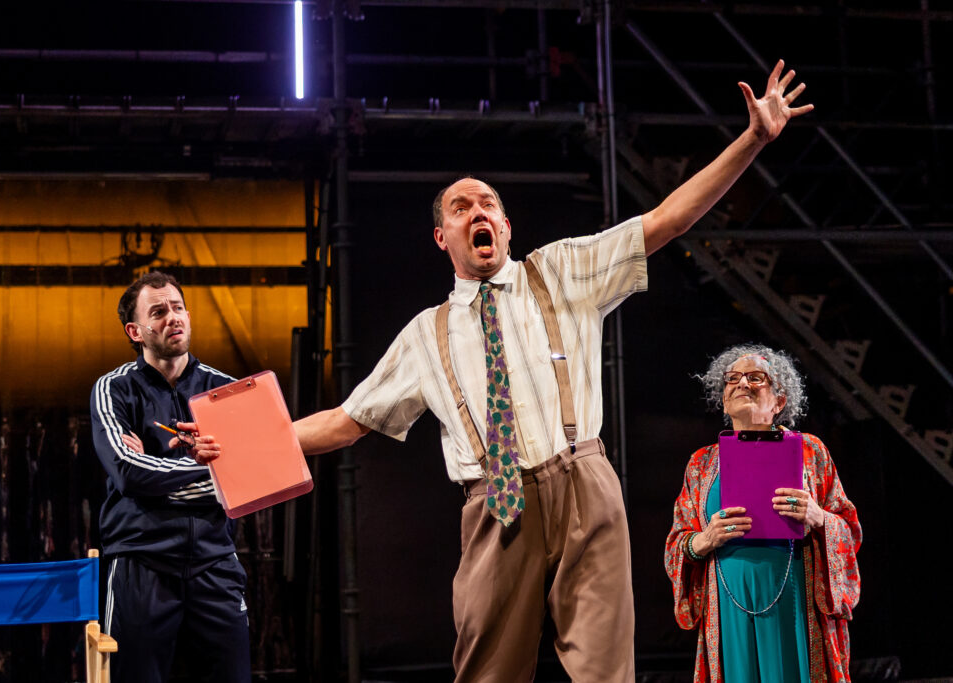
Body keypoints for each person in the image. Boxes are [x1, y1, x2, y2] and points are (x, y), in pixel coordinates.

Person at [188, 60, 812, 681]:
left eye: (488, 203)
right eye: (461, 207)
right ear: (443, 236)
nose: (477, 211)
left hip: (583, 485)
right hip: (494, 501)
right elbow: (346, 422)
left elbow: (668, 220)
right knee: (487, 671)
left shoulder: (563, 270)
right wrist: (241, 441)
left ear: (506, 226)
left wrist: (752, 139)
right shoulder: (425, 335)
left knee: (605, 671)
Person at [664, 344, 861, 682]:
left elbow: (848, 528)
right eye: (733, 379)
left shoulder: (810, 452)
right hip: (728, 608)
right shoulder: (701, 464)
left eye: (756, 378)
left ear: (779, 401)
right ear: (724, 400)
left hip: (794, 602)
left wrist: (818, 517)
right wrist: (703, 540)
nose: (743, 384)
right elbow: (676, 544)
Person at [89, 271, 250, 683]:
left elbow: (250, 478)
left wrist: (155, 476)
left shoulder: (226, 391)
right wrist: (204, 467)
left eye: (178, 308)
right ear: (136, 330)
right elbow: (126, 472)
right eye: (158, 312)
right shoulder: (114, 389)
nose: (172, 318)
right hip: (142, 562)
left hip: (214, 564)